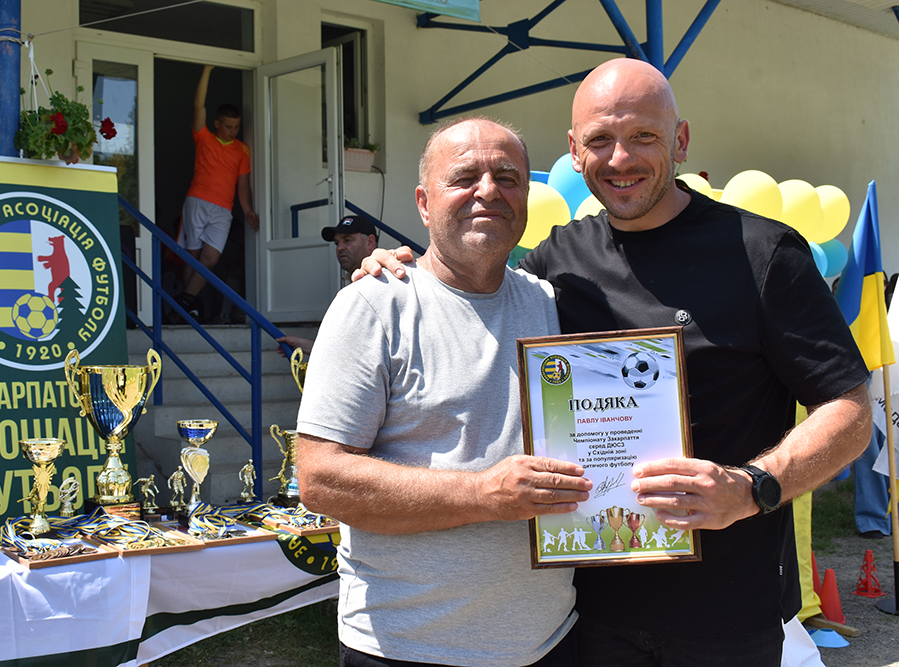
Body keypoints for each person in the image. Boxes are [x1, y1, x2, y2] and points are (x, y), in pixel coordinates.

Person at [359, 58, 871, 666]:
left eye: (643, 136)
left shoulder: (762, 252)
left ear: (680, 140)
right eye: (600, 139)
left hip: (725, 616)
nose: (620, 158)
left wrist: (750, 487)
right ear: (575, 152)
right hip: (585, 616)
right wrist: (407, 273)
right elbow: (474, 294)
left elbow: (849, 410)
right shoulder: (558, 261)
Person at [296, 117, 592, 667]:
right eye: (464, 177)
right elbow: (320, 479)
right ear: (424, 203)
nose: (489, 191)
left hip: (548, 641)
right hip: (406, 647)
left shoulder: (553, 306)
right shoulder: (374, 305)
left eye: (508, 177)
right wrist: (483, 494)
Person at [175, 64, 259, 323]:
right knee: (192, 257)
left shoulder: (242, 150)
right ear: (217, 124)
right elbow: (198, 106)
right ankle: (189, 306)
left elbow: (242, 184)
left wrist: (247, 210)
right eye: (229, 126)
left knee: (210, 259)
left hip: (223, 209)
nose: (233, 131)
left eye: (236, 127)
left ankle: (184, 301)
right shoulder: (205, 138)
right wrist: (207, 69)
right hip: (197, 201)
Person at [275, 215, 379, 355]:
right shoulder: (353, 284)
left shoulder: (383, 281)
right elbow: (348, 348)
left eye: (347, 240)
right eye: (337, 243)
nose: (340, 248)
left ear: (370, 242)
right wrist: (302, 344)